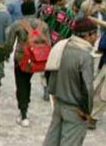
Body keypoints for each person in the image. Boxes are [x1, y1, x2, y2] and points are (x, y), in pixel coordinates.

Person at [42, 18, 98, 146]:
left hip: (59, 103)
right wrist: (86, 111)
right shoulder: (85, 56)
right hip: (75, 109)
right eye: (95, 34)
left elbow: (49, 72)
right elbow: (87, 87)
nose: (96, 37)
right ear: (87, 35)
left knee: (52, 141)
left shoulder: (61, 47)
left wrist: (54, 93)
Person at [6, 0, 50, 127]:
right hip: (38, 60)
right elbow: (48, 43)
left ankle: (23, 113)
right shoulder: (44, 25)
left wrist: (6, 54)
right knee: (27, 82)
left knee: (21, 84)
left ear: (22, 11)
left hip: (22, 59)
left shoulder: (17, 25)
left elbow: (9, 43)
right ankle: (25, 107)